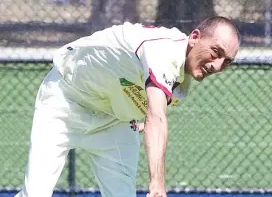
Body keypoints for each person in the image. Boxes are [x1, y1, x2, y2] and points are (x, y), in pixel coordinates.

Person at [16, 16, 240, 197]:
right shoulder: (164, 50)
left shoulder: (182, 85)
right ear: (194, 37)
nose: (218, 65)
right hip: (65, 101)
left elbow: (147, 111)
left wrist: (139, 121)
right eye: (216, 52)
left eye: (227, 61)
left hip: (114, 121)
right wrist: (157, 185)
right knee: (36, 193)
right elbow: (157, 117)